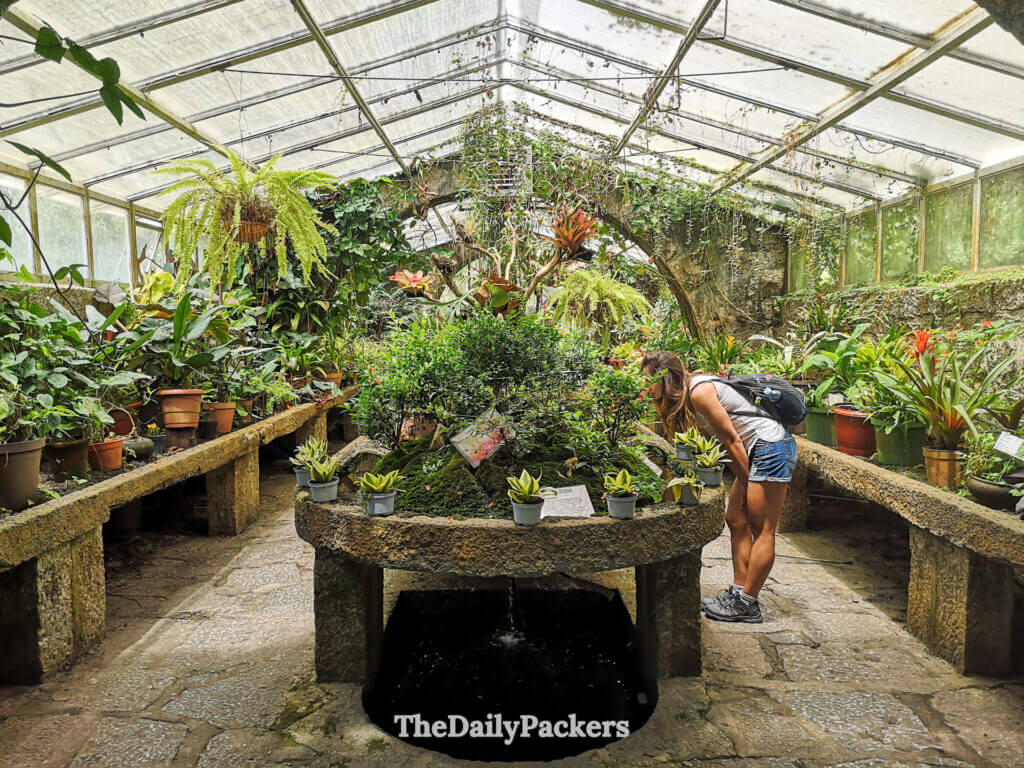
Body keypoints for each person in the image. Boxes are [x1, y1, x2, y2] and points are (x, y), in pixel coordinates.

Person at [641, 350, 797, 623]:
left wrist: (747, 481)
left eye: (647, 381)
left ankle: (747, 604)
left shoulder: (699, 392)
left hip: (771, 448)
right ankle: (738, 591)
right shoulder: (692, 390)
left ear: (664, 380)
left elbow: (732, 441)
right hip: (755, 451)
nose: (644, 387)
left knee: (763, 528)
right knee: (736, 519)